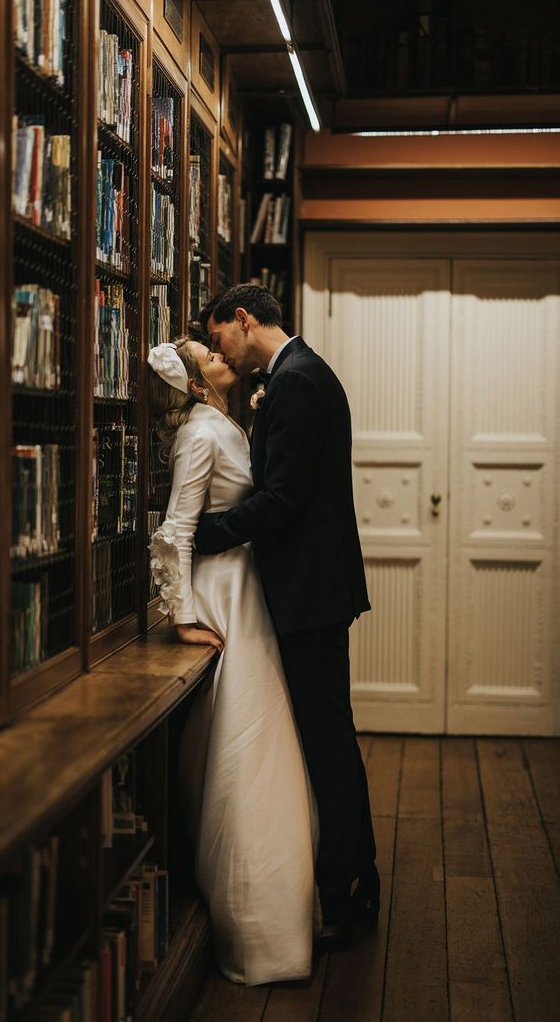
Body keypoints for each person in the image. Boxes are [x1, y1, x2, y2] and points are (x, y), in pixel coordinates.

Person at [196, 283, 379, 949]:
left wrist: (198, 533)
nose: (223, 354)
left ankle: (345, 893)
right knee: (329, 735)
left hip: (310, 591)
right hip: (312, 586)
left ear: (243, 320)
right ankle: (356, 881)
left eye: (220, 339)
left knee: (326, 740)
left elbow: (281, 499)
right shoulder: (298, 374)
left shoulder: (296, 382)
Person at [147, 337, 320, 986]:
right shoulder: (199, 434)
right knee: (243, 738)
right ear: (198, 384)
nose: (222, 353)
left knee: (262, 730)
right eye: (209, 355)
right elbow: (176, 526)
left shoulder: (226, 420)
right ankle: (253, 916)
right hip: (220, 590)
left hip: (246, 584)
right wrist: (183, 614)